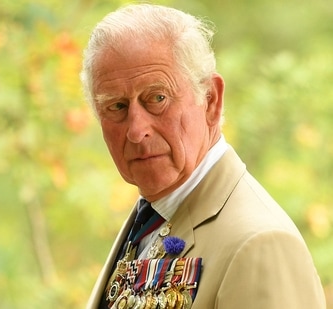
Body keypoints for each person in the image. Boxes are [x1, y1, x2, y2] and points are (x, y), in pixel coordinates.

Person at [80, 4, 326, 309]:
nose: (136, 130)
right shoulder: (151, 217)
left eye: (157, 98)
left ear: (210, 100)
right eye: (116, 106)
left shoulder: (260, 243)